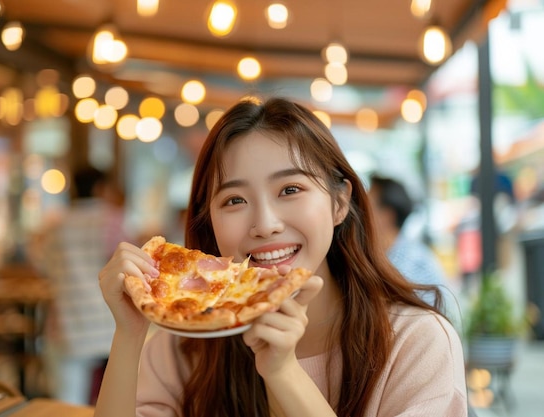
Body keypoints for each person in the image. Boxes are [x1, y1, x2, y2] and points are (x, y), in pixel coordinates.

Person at [95, 97, 467, 416]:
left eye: (290, 189)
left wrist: (284, 372)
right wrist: (128, 335)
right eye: (234, 200)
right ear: (209, 221)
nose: (265, 224)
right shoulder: (185, 346)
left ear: (340, 203)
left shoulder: (416, 342)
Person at [35, 166, 125, 405]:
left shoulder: (56, 223)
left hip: (67, 320)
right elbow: (128, 266)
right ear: (100, 188)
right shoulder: (111, 219)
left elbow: (43, 265)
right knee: (114, 399)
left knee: (68, 401)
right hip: (107, 321)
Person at [367, 175, 454, 306]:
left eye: (367, 206)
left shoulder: (413, 264)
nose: (359, 212)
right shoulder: (385, 257)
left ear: (387, 216)